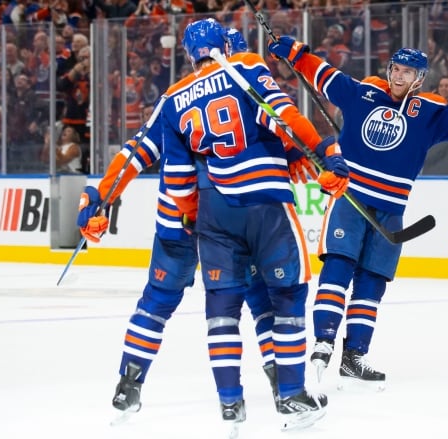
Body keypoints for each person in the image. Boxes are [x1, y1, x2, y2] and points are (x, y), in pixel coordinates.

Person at [76, 27, 325, 432]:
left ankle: (129, 383)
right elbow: (276, 122)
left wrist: (100, 197)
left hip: (179, 216)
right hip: (222, 209)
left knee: (159, 299)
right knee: (261, 295)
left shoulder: (174, 99)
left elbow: (134, 154)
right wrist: (304, 150)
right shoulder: (243, 74)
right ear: (229, 50)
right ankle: (282, 379)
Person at [268, 35, 448, 387]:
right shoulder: (364, 93)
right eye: (395, 69)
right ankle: (323, 340)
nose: (399, 77)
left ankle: (354, 356)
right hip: (350, 200)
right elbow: (323, 75)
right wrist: (296, 54)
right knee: (339, 265)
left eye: (408, 72)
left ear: (420, 78)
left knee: (372, 282)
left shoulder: (429, 112)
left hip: (391, 211)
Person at [159, 19, 348, 431]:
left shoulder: (173, 98)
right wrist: (325, 153)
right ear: (223, 45)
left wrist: (194, 216)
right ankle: (291, 395)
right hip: (265, 203)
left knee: (221, 308)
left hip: (214, 212)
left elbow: (177, 180)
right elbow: (286, 116)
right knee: (288, 295)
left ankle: (230, 403)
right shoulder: (243, 65)